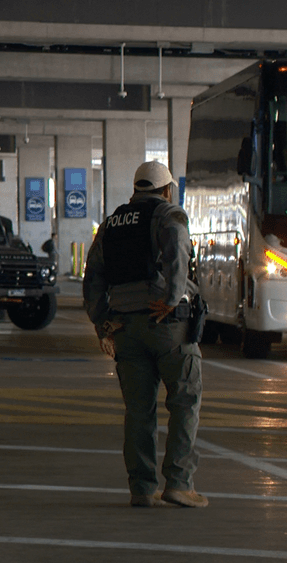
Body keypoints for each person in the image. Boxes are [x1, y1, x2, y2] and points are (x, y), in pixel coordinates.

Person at [82, 161, 207, 508]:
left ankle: (142, 488)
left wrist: (103, 323)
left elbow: (93, 277)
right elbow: (177, 257)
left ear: (136, 190)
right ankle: (179, 484)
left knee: (138, 410)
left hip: (125, 329)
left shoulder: (111, 224)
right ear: (167, 189)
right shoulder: (169, 216)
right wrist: (171, 298)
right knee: (184, 402)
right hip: (168, 327)